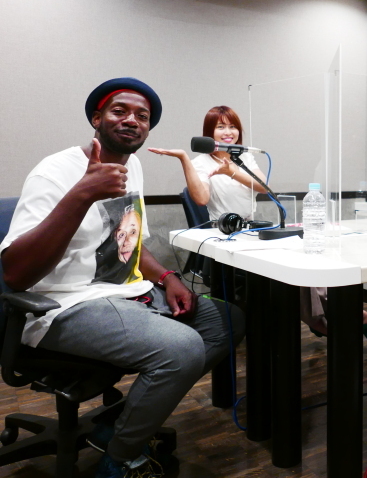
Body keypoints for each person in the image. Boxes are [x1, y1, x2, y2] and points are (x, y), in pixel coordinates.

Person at [0, 78, 244, 478]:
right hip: (65, 305)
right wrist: (82, 194)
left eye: (142, 116)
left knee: (227, 320)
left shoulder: (133, 166)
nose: (132, 120)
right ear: (97, 119)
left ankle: (119, 425)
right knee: (181, 348)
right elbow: (15, 273)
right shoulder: (55, 172)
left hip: (126, 294)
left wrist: (168, 277)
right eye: (119, 111)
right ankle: (121, 459)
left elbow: (128, 241)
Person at [148, 106, 367, 339]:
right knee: (290, 265)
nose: (228, 132)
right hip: (226, 235)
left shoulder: (244, 157)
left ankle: (342, 315)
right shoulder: (201, 163)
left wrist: (231, 170)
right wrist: (184, 159)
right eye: (220, 127)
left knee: (304, 258)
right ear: (209, 133)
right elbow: (201, 198)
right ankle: (329, 318)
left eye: (232, 126)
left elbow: (263, 187)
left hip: (252, 229)